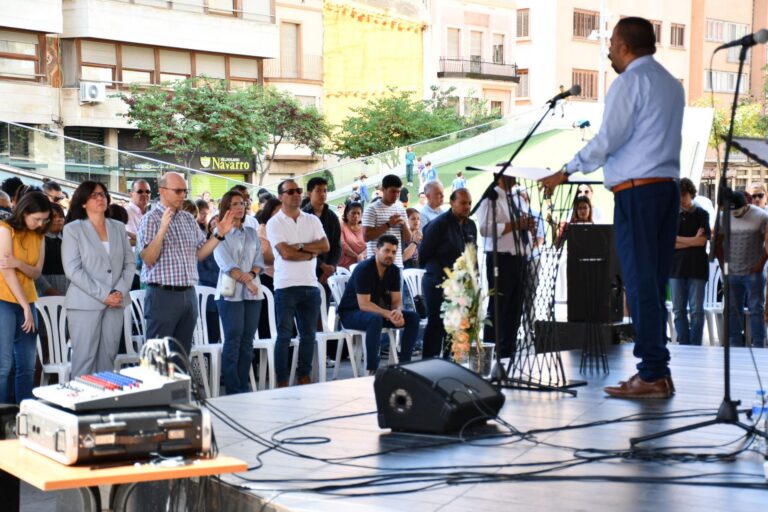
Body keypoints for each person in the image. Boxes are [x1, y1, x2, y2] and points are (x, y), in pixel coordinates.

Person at [541, 17, 685, 399]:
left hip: (637, 194)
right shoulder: (671, 85)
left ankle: (652, 373)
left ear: (623, 46)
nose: (608, 53)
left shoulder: (630, 83)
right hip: (666, 191)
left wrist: (566, 170)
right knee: (653, 283)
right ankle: (659, 371)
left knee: (639, 285)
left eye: (611, 46)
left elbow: (608, 139)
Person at [138, 172, 235, 357]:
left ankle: (180, 387)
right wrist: (162, 230)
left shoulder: (188, 219)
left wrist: (220, 234)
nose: (183, 195)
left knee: (181, 357)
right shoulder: (150, 219)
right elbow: (148, 258)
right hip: (162, 295)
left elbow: (200, 253)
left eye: (185, 190)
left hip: (189, 294)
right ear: (163, 191)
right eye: (178, 191)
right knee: (157, 359)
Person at [62, 181, 135, 378]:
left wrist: (119, 291)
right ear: (83, 202)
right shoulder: (73, 229)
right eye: (94, 195)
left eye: (102, 194)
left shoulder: (119, 227)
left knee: (107, 359)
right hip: (85, 303)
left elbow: (129, 264)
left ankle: (102, 406)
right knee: (84, 360)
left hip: (116, 302)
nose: (100, 198)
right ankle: (79, 407)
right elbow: (73, 269)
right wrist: (104, 294)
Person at [267, 179, 329, 387]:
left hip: (310, 285)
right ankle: (282, 380)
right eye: (290, 191)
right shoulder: (274, 222)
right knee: (284, 336)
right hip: (285, 286)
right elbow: (285, 253)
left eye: (298, 191)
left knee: (308, 335)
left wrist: (300, 246)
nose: (296, 194)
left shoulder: (311, 220)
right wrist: (310, 254)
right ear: (280, 196)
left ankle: (304, 376)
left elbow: (325, 245)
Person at [337, 235, 419, 374]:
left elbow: (396, 300)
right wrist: (389, 314)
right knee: (374, 319)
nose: (390, 255)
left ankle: (405, 365)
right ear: (376, 250)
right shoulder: (364, 269)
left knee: (413, 318)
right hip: (352, 313)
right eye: (386, 251)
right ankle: (372, 369)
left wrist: (397, 312)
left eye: (393, 252)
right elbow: (364, 305)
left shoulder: (393, 270)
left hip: (377, 313)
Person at [477, 174, 535, 359]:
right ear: (500, 176)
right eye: (511, 173)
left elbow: (525, 222)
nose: (516, 177)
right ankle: (489, 352)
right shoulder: (490, 197)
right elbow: (485, 229)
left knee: (516, 306)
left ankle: (507, 351)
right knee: (498, 306)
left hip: (521, 257)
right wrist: (516, 225)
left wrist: (529, 226)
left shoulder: (518, 198)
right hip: (500, 258)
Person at [0, 192, 51, 403]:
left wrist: (19, 263)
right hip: (4, 300)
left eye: (44, 220)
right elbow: (6, 271)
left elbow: (36, 272)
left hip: (28, 300)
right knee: (3, 365)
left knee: (27, 365)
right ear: (24, 212)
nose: (40, 224)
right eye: (36, 219)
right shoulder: (5, 230)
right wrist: (25, 307)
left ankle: (24, 412)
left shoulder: (39, 235)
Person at [213, 190, 264, 394]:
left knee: (247, 341)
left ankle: (243, 386)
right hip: (229, 294)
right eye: (235, 204)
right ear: (226, 208)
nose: (240, 207)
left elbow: (259, 261)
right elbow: (227, 264)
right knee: (233, 340)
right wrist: (248, 280)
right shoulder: (220, 234)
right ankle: (233, 389)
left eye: (242, 203)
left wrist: (252, 276)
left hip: (252, 293)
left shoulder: (252, 232)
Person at [419, 189, 477, 358]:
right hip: (438, 281)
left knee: (456, 326)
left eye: (469, 203)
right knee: (437, 325)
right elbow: (423, 254)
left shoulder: (470, 225)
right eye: (463, 203)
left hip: (461, 284)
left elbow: (473, 255)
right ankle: (428, 365)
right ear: (452, 203)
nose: (467, 207)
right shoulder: (439, 224)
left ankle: (450, 364)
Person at [715, 191, 768, 349]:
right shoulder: (723, 217)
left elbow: (767, 244)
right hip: (731, 272)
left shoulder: (761, 216)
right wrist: (724, 266)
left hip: (753, 273)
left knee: (756, 310)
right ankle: (734, 345)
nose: (734, 215)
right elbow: (718, 244)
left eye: (737, 211)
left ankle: (759, 344)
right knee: (732, 310)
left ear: (746, 205)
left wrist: (759, 266)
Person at [670, 178, 710, 346]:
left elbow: (702, 242)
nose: (680, 198)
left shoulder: (702, 214)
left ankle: (695, 346)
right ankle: (684, 345)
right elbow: (668, 242)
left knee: (696, 311)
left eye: (683, 194)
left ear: (691, 193)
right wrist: (692, 239)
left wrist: (681, 241)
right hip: (675, 269)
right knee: (678, 311)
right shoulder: (671, 215)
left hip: (697, 268)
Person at [362, 174, 412, 268]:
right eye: (392, 191)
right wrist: (388, 224)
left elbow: (408, 239)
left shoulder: (400, 208)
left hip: (396, 264)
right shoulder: (371, 209)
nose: (396, 195)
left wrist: (404, 225)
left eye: (398, 192)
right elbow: (366, 237)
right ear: (383, 190)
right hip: (376, 265)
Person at [302, 177, 341, 286]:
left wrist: (331, 267)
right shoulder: (302, 216)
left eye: (325, 190)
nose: (322, 194)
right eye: (318, 190)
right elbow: (302, 247)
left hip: (328, 271)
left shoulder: (332, 216)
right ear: (309, 193)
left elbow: (337, 245)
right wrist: (322, 266)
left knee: (326, 302)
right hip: (308, 269)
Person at [35, 203, 68, 296]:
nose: (59, 219)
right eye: (54, 216)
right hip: (43, 292)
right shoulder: (38, 240)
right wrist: (47, 289)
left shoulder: (70, 239)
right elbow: (35, 271)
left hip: (68, 291)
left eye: (61, 216)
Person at [339, 201, 366, 269]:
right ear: (347, 214)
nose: (356, 216)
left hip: (364, 262)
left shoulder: (364, 227)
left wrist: (362, 256)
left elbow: (370, 244)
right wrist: (357, 257)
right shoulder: (341, 226)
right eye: (353, 213)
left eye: (358, 213)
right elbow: (343, 245)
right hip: (346, 265)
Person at [125, 179, 151, 247]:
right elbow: (131, 241)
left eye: (147, 191)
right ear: (131, 194)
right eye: (140, 191)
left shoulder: (151, 213)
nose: (145, 194)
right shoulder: (126, 213)